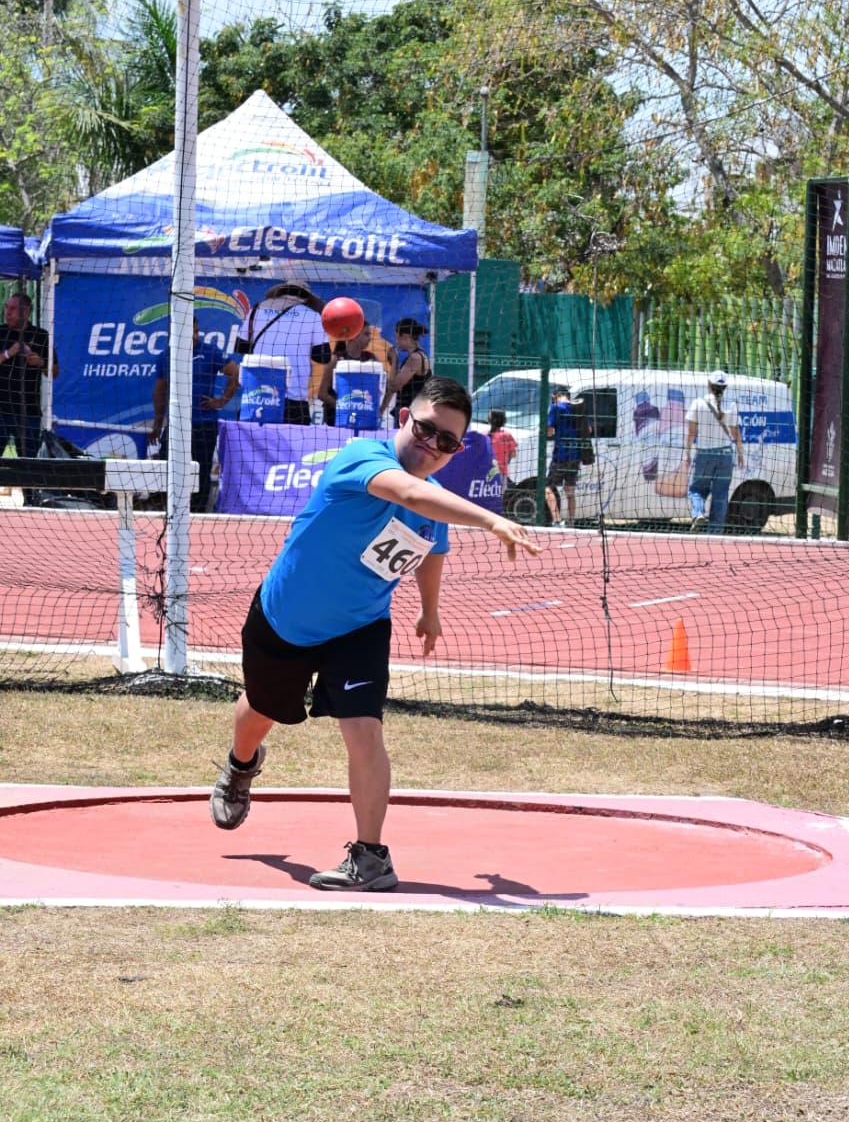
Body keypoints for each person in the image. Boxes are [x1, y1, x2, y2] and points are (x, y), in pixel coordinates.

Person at [209, 375, 541, 891]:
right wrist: (492, 521)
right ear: (405, 417)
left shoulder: (434, 499)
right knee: (263, 709)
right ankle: (240, 765)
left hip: (361, 626)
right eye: (427, 431)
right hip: (287, 619)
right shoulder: (362, 458)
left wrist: (430, 611)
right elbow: (408, 493)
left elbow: (432, 548)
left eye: (448, 443)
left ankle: (370, 857)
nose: (433, 447)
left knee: (363, 729)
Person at [150, 318, 239, 512]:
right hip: (175, 426)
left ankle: (198, 514)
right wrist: (157, 425)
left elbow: (235, 374)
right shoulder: (167, 356)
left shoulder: (210, 351)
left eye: (197, 331)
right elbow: (159, 391)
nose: (194, 335)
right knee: (169, 469)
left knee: (201, 471)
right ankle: (171, 511)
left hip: (203, 425)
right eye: (190, 331)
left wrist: (221, 401)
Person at [236, 280, 327, 425]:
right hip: (293, 399)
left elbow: (241, 347)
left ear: (280, 292)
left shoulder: (256, 310)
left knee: (250, 445)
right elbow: (323, 357)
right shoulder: (312, 317)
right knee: (291, 447)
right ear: (306, 297)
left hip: (256, 394)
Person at [0, 295, 58, 501]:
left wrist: (41, 362)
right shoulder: (1, 332)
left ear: (27, 311)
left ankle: (31, 500)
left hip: (29, 411)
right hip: (1, 409)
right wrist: (9, 353)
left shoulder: (41, 336)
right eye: (7, 307)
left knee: (29, 460)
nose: (7, 312)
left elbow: (55, 371)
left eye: (13, 309)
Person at [685, 370, 744, 533]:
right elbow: (736, 433)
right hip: (726, 455)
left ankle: (698, 514)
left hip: (704, 453)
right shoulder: (731, 405)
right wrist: (740, 454)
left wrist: (687, 453)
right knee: (721, 493)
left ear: (708, 385)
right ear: (725, 387)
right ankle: (715, 532)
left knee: (696, 488)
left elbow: (691, 433)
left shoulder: (697, 403)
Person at [316, 319, 396, 424]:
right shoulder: (337, 360)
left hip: (363, 420)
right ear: (355, 335)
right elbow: (322, 394)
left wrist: (379, 412)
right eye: (366, 334)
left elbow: (390, 388)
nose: (370, 338)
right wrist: (345, 407)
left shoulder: (371, 359)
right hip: (338, 419)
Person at [545, 387, 588, 527]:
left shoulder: (555, 407)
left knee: (548, 488)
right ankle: (571, 521)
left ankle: (557, 520)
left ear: (555, 395)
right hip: (575, 455)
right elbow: (588, 429)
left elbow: (549, 431)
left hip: (560, 455)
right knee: (570, 491)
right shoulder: (578, 407)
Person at [381, 317, 431, 421]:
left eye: (397, 337)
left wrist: (395, 361)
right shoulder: (412, 358)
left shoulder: (415, 358)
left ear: (406, 337)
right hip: (409, 412)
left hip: (412, 415)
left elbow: (394, 386)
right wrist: (380, 411)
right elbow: (391, 390)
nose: (396, 342)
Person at [488, 408, 517, 485]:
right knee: (499, 495)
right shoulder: (507, 435)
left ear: (489, 420)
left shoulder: (484, 435)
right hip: (501, 472)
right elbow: (513, 454)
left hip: (486, 472)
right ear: (504, 421)